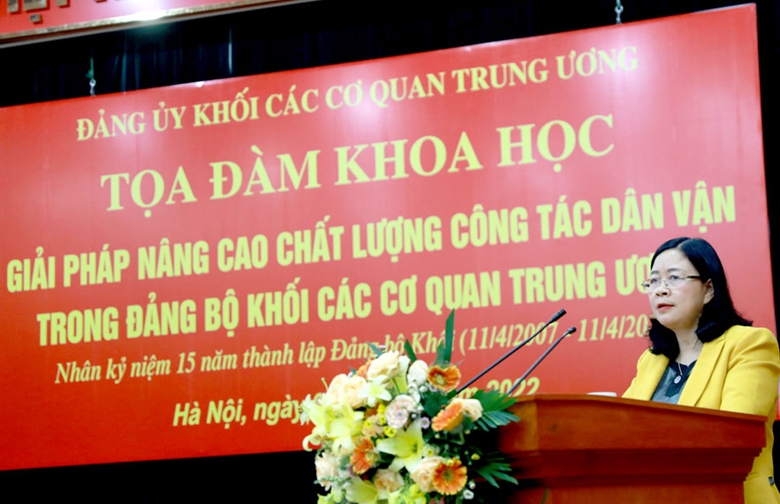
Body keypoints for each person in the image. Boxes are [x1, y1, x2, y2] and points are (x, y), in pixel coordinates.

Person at [623, 237, 780, 504]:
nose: (660, 290)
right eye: (654, 281)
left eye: (674, 278)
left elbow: (734, 435)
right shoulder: (650, 361)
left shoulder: (749, 344)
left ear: (708, 289)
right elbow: (622, 436)